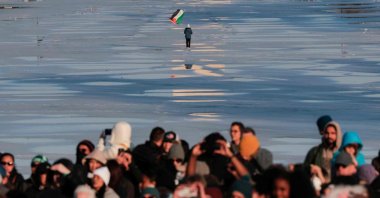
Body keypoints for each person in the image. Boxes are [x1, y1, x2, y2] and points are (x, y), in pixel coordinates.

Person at [303, 116, 342, 182]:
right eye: (327, 133)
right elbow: (304, 170)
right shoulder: (315, 152)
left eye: (333, 133)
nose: (329, 136)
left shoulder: (344, 152)